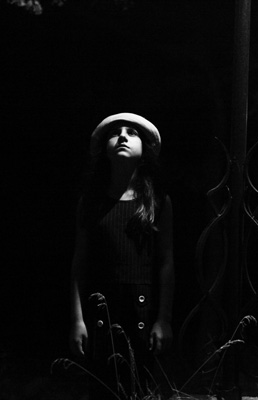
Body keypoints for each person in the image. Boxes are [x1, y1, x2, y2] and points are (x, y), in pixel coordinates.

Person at [69, 113, 175, 398]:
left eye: (132, 133)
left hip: (142, 309)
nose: (123, 137)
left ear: (145, 151)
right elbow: (80, 263)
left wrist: (163, 318)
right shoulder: (91, 202)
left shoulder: (157, 202)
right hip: (101, 310)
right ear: (104, 148)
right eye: (116, 133)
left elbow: (166, 262)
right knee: (102, 388)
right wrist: (77, 320)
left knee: (140, 386)